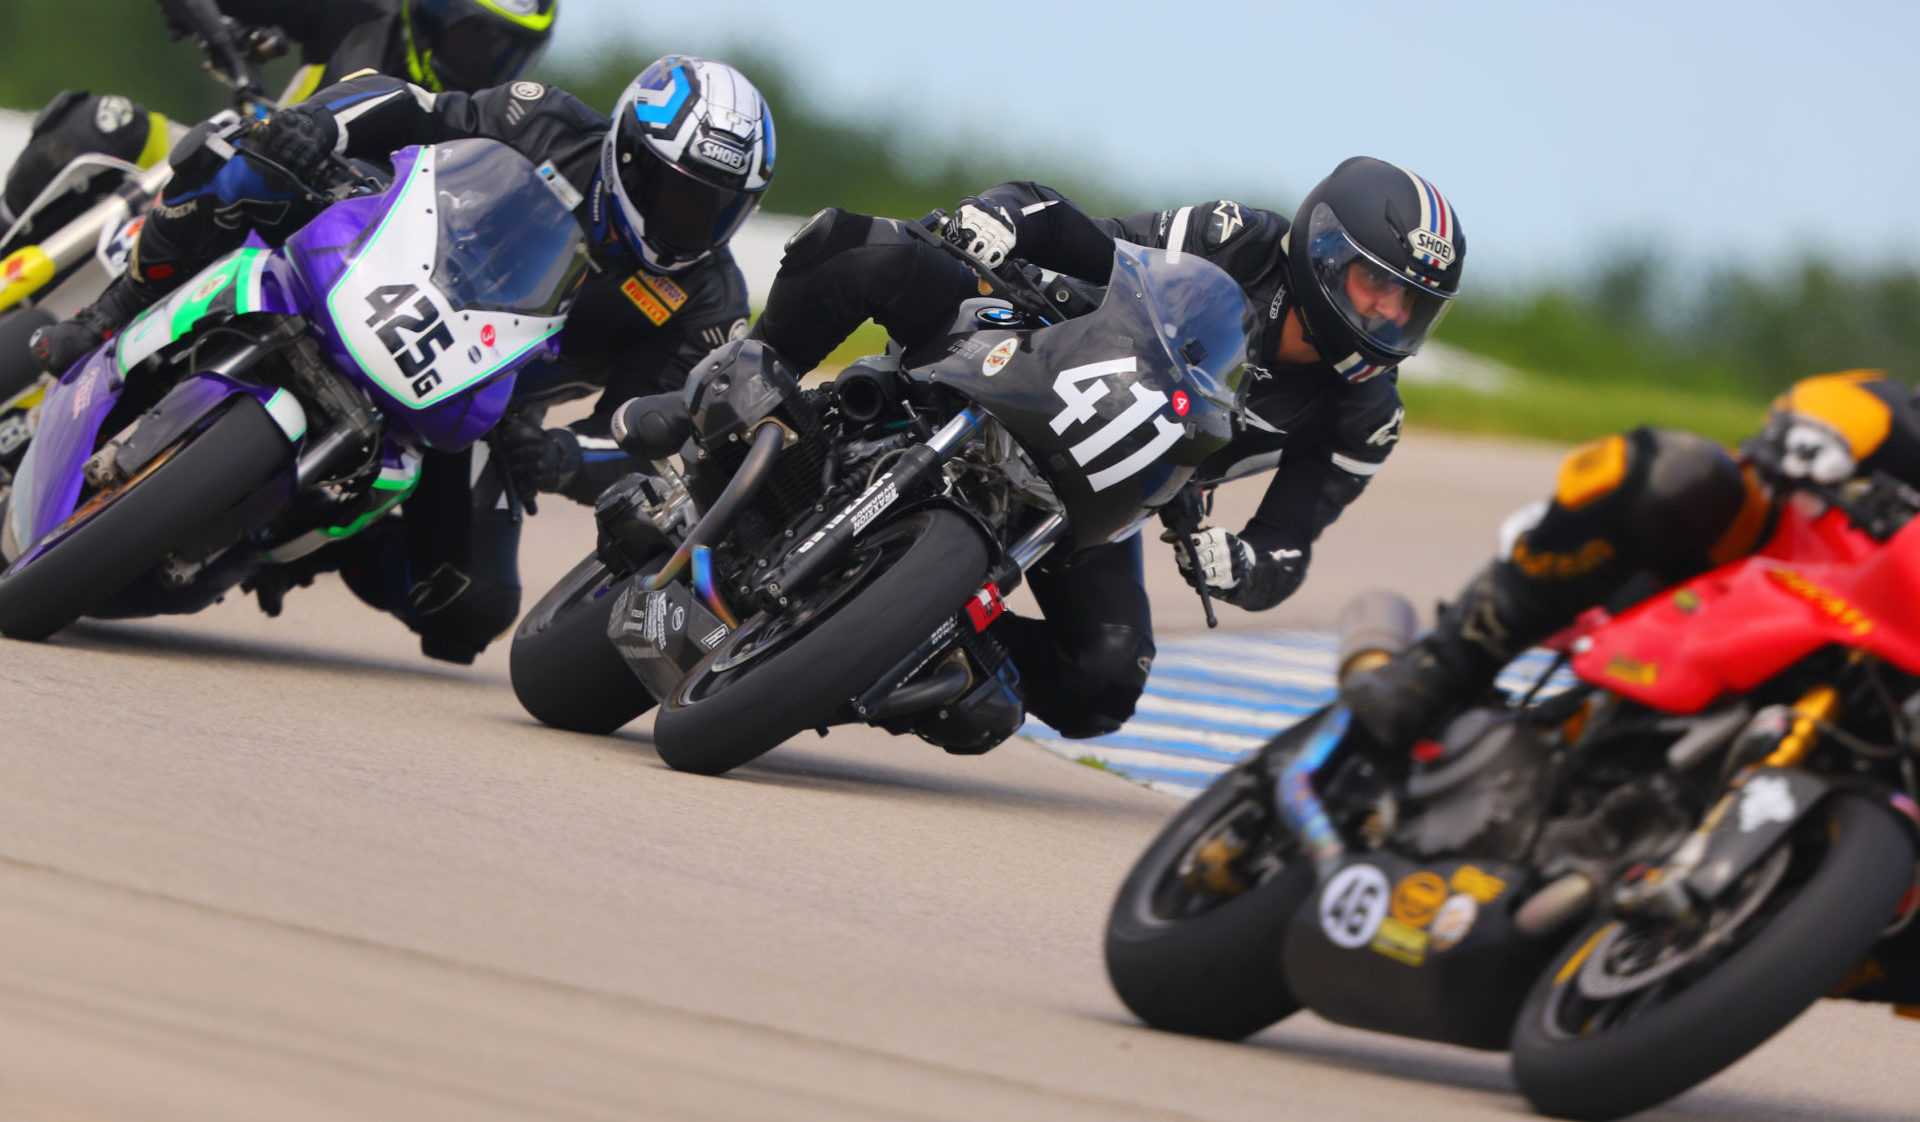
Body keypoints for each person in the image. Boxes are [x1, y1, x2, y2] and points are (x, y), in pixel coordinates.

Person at [26, 55, 773, 662]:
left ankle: (314, 540)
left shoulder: (706, 301)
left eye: (716, 207)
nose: (691, 222)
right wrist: (314, 127)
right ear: (631, 157)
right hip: (377, 261)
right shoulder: (540, 116)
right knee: (244, 165)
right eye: (676, 195)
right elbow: (412, 105)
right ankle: (108, 313)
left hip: (481, 402)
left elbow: (650, 429)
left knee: (470, 606)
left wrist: (558, 455)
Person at [742, 156, 1465, 739]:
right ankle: (743, 379)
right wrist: (999, 219)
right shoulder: (1237, 235)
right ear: (1324, 252)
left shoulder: (1368, 416)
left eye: (1412, 305)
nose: (1390, 314)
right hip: (1032, 359)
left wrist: (1237, 565)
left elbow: (1287, 547)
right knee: (870, 250)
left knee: (1106, 678)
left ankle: (916, 651)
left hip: (1104, 491)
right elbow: (1084, 233)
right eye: (1378, 285)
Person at [1340, 368, 1920, 751]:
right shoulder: (1900, 419)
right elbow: (1845, 404)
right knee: (1681, 472)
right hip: (1788, 590)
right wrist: (1824, 439)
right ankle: (1438, 671)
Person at [2, 0, 560, 242]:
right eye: (473, 38)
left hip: (327, 266)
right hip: (238, 163)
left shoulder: (487, 135)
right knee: (104, 122)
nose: (484, 63)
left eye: (505, 55)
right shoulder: (362, 15)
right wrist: (219, 27)